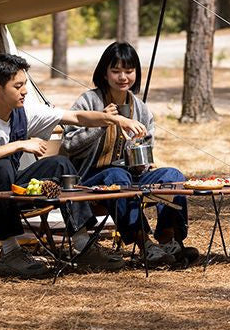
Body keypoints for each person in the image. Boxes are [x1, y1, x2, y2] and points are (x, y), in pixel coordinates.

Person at [0, 53, 146, 278]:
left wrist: (116, 120)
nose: (25, 91)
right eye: (18, 86)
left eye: (25, 84)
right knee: (2, 166)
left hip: (5, 188)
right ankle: (10, 253)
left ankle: (83, 244)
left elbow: (76, 117)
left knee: (60, 165)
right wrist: (19, 145)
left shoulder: (23, 112)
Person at [62, 41, 198, 268]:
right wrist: (102, 123)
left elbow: (145, 158)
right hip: (90, 180)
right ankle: (145, 244)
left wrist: (139, 156)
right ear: (104, 74)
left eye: (129, 71)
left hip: (129, 177)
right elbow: (68, 145)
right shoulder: (89, 101)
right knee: (116, 175)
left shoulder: (141, 108)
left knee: (172, 175)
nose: (123, 77)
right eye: (115, 71)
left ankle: (168, 239)